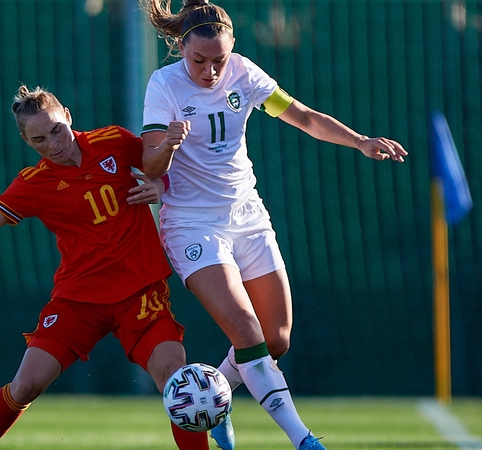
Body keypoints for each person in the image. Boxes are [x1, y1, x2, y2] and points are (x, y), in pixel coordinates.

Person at [139, 1, 408, 449]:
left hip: (247, 216)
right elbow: (149, 166)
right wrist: (167, 143)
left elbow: (301, 116)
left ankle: (217, 399)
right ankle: (304, 440)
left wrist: (360, 142)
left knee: (274, 340)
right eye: (198, 60)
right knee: (246, 333)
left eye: (218, 60)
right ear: (181, 47)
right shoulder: (163, 84)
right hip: (192, 225)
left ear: (233, 50)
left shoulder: (245, 73)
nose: (208, 71)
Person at [0, 85, 211, 450]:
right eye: (39, 140)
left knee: (177, 381)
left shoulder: (113, 140)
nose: (54, 144)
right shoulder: (34, 183)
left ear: (67, 115)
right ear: (26, 141)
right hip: (79, 300)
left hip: (140, 293)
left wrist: (161, 181)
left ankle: (208, 428)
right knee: (25, 386)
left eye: (56, 130)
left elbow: (159, 166)